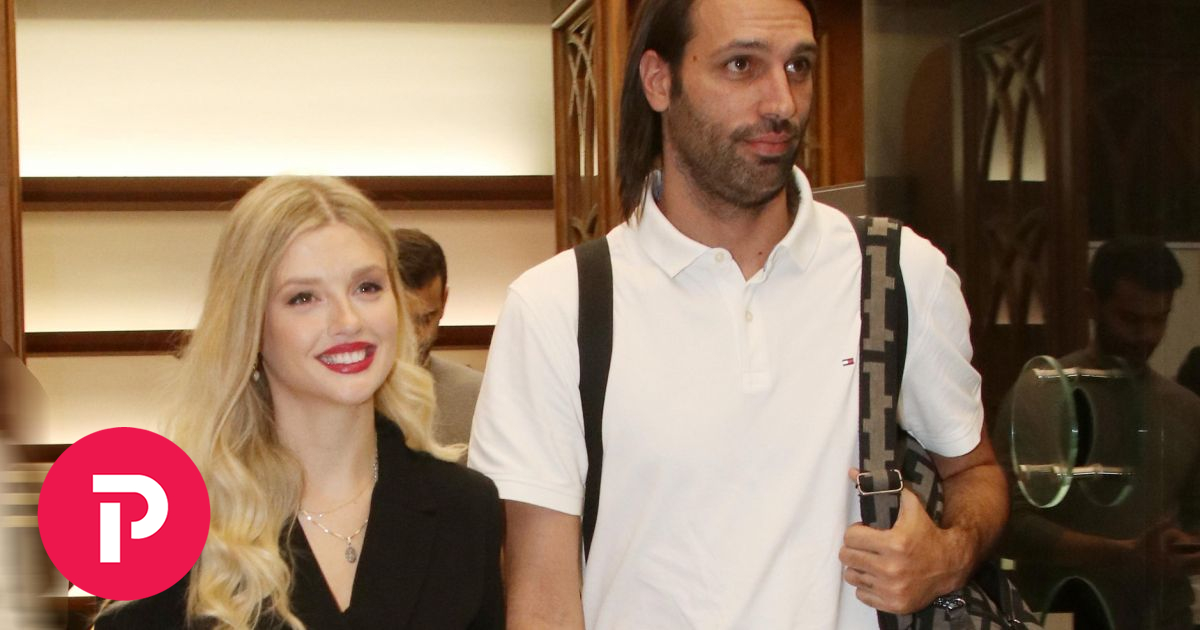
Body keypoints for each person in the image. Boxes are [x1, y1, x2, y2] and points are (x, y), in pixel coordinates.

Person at [467, 0, 1007, 627]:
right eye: (742, 65)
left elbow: (975, 470)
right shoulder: (559, 307)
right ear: (659, 81)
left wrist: (948, 554)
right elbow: (542, 595)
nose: (782, 102)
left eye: (798, 66)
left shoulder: (896, 272)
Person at [95, 176, 503, 629]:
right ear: (249, 325)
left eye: (367, 287)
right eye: (303, 297)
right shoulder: (158, 520)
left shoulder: (465, 508)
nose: (348, 321)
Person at [994, 236, 1200, 629]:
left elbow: (1193, 518)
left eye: (1159, 319)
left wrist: (1183, 547)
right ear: (1092, 304)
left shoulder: (1187, 409)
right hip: (1063, 614)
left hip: (1165, 618)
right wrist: (1125, 553)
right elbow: (1010, 524)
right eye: (1130, 319)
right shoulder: (1043, 393)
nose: (1146, 335)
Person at [393, 228, 483, 451]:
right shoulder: (343, 394)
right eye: (402, 320)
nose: (415, 337)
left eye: (426, 319)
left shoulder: (478, 396)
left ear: (444, 301)